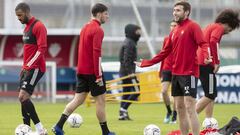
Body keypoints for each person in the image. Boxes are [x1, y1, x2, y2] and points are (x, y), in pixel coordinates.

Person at [135, 1, 211, 135]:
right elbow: (164, 52)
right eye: (174, 10)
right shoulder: (174, 31)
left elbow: (203, 44)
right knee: (180, 108)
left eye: (178, 10)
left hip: (190, 73)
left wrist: (206, 56)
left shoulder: (193, 26)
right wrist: (147, 63)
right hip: (176, 74)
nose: (174, 12)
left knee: (189, 107)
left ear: (186, 12)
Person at [52, 3, 115, 135]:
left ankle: (58, 126)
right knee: (101, 101)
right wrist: (98, 75)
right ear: (99, 14)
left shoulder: (85, 27)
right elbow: (96, 53)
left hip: (81, 70)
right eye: (106, 14)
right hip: (93, 72)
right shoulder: (98, 30)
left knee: (78, 99)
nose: (107, 16)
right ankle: (106, 132)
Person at [196, 9, 240, 118]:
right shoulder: (218, 27)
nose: (228, 31)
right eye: (230, 28)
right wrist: (216, 62)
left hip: (200, 62)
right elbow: (213, 41)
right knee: (211, 94)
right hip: (206, 64)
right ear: (226, 23)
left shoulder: (209, 27)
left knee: (210, 94)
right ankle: (190, 116)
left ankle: (209, 121)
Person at [15, 2, 48, 135]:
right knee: (22, 99)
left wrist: (29, 65)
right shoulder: (26, 28)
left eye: (20, 15)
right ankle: (27, 129)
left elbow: (42, 49)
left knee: (23, 97)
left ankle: (40, 129)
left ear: (27, 12)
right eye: (17, 16)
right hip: (27, 68)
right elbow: (28, 50)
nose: (19, 18)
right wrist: (24, 67)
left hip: (36, 68)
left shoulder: (39, 26)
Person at [118, 24, 141, 120]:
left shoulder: (128, 42)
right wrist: (130, 72)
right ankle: (123, 109)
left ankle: (122, 114)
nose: (139, 34)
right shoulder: (129, 43)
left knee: (126, 93)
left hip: (124, 72)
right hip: (128, 73)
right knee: (137, 91)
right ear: (131, 31)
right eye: (137, 31)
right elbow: (126, 59)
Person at [159, 20, 178, 124]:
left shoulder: (181, 39)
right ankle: (169, 111)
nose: (173, 27)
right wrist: (160, 70)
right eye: (171, 25)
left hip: (177, 69)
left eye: (175, 25)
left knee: (175, 94)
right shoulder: (166, 39)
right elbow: (163, 54)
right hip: (166, 68)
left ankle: (175, 115)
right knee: (163, 91)